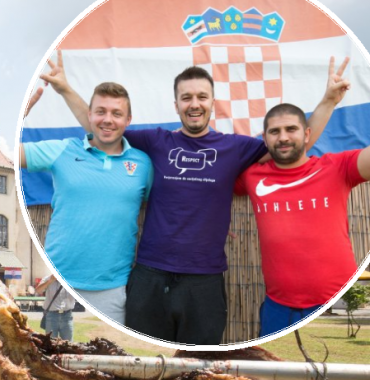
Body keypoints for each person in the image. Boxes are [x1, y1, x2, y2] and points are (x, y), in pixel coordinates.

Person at [40, 51, 349, 344]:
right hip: (150, 274)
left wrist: (329, 101)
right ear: (176, 104)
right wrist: (65, 89)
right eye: (186, 97)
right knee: (144, 363)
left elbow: (291, 146)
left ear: (213, 102)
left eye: (201, 96)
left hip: (205, 279)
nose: (194, 103)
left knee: (199, 366)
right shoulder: (156, 141)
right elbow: (102, 127)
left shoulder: (236, 148)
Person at [19, 81, 153, 325]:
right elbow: (6, 155)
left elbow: (167, 204)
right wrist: (21, 115)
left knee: (109, 359)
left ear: (128, 119)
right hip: (60, 281)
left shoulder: (143, 164)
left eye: (116, 113)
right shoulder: (63, 150)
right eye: (100, 111)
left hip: (112, 287)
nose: (107, 120)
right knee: (56, 359)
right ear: (89, 115)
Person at [235, 103, 370, 337]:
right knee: (273, 372)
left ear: (307, 134)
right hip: (277, 309)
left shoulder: (337, 167)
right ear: (264, 140)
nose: (283, 137)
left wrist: (329, 101)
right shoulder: (252, 176)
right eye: (275, 132)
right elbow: (211, 183)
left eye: (291, 129)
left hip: (334, 303)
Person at [36, 275, 76, 340]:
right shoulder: (47, 278)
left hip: (67, 316)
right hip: (52, 316)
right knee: (50, 343)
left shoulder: (72, 279)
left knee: (68, 344)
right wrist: (50, 281)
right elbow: (38, 291)